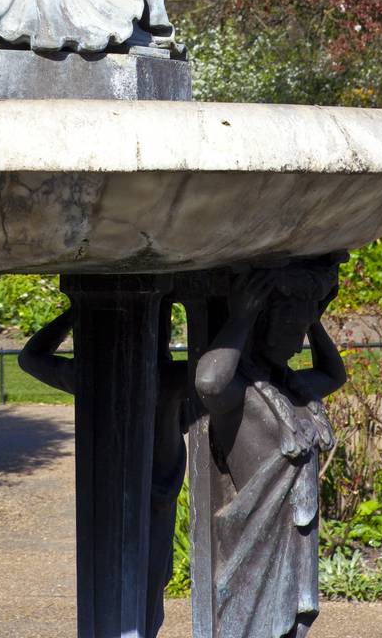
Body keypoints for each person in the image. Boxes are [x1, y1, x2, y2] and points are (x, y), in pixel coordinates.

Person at [19, 298, 189, 637]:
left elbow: (30, 357)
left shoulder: (92, 375)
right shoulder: (170, 376)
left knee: (119, 576)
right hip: (155, 491)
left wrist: (75, 314)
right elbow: (222, 370)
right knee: (150, 580)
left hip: (112, 491)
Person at [193, 263, 347, 638]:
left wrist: (312, 319)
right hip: (252, 550)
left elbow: (334, 374)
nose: (298, 343)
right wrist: (242, 317)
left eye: (301, 331)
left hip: (291, 545)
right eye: (290, 330)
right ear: (262, 325)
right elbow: (210, 383)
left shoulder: (293, 389)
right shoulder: (244, 395)